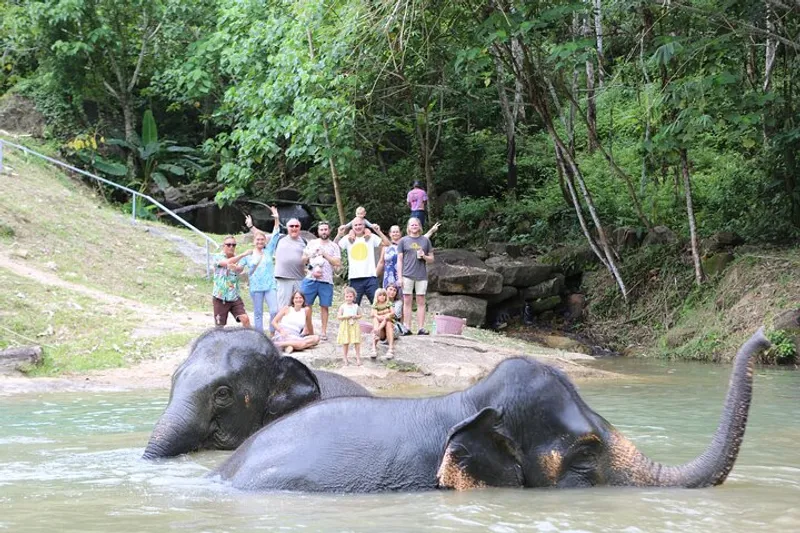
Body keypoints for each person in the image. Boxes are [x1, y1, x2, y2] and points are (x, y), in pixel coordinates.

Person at [240, 207, 280, 334]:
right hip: (256, 287)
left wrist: (276, 218)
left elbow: (275, 234)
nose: (260, 241)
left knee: (274, 310)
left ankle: (272, 333)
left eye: (262, 239)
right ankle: (259, 335)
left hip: (270, 285)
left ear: (265, 241)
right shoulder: (249, 254)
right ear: (254, 241)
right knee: (258, 313)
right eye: (258, 239)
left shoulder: (269, 251)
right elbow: (239, 268)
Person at [335, 218, 390, 305]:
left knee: (379, 305)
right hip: (355, 278)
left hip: (371, 278)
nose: (358, 227)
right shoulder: (347, 238)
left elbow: (387, 244)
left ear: (364, 226)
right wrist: (339, 234)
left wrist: (378, 232)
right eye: (355, 225)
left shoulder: (371, 237)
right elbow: (333, 247)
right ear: (352, 227)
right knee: (352, 307)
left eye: (360, 224)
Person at [301, 221, 341, 341]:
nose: (324, 232)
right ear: (318, 231)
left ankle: (323, 331)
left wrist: (325, 254)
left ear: (329, 231)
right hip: (311, 279)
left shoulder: (334, 246)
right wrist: (311, 266)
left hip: (326, 281)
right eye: (321, 229)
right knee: (306, 304)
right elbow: (303, 259)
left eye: (325, 229)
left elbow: (337, 262)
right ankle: (306, 328)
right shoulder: (312, 243)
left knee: (324, 306)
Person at [397, 217, 434, 335]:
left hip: (421, 275)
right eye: (412, 225)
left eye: (416, 224)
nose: (414, 226)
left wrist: (424, 256)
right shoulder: (403, 241)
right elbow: (399, 260)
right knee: (407, 301)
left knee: (421, 301)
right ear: (408, 227)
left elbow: (432, 259)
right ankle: (407, 327)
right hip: (407, 274)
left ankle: (421, 328)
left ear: (419, 226)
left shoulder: (425, 240)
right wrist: (399, 277)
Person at [378, 222, 442, 290]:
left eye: (397, 232)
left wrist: (431, 231)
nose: (395, 233)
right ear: (390, 234)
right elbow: (381, 262)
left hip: (403, 276)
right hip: (388, 276)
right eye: (393, 232)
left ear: (400, 233)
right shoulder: (385, 247)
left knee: (403, 294)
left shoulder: (405, 244)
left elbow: (422, 239)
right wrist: (374, 276)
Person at [212, 235, 252, 328]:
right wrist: (243, 254)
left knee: (245, 319)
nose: (231, 247)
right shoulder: (217, 256)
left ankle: (250, 336)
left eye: (234, 245)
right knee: (219, 327)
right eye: (229, 244)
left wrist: (236, 268)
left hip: (234, 296)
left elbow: (240, 269)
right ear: (223, 246)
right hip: (220, 297)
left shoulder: (238, 259)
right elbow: (226, 262)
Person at [273, 217, 307, 309]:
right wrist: (251, 226)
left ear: (300, 228)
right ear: (287, 227)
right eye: (291, 226)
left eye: (296, 226)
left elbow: (310, 258)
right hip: (283, 278)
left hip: (299, 278)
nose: (294, 228)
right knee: (283, 307)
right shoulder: (279, 238)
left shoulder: (304, 242)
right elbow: (261, 237)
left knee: (299, 306)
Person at [336, 286, 363, 366]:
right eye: (347, 296)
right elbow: (339, 316)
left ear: (354, 297)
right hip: (345, 325)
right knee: (346, 342)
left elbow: (360, 315)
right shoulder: (343, 306)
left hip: (354, 325)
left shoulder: (356, 306)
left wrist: (355, 316)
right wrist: (345, 317)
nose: (348, 298)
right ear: (344, 297)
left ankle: (358, 357)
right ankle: (345, 357)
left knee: (356, 341)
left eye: (350, 296)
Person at [370, 288, 395, 359]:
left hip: (388, 323)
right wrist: (380, 315)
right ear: (377, 296)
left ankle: (390, 348)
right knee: (375, 319)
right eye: (380, 295)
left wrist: (387, 315)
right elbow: (373, 314)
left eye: (384, 295)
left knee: (387, 320)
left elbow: (392, 313)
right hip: (380, 327)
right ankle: (373, 347)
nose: (382, 297)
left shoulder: (388, 303)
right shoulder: (375, 304)